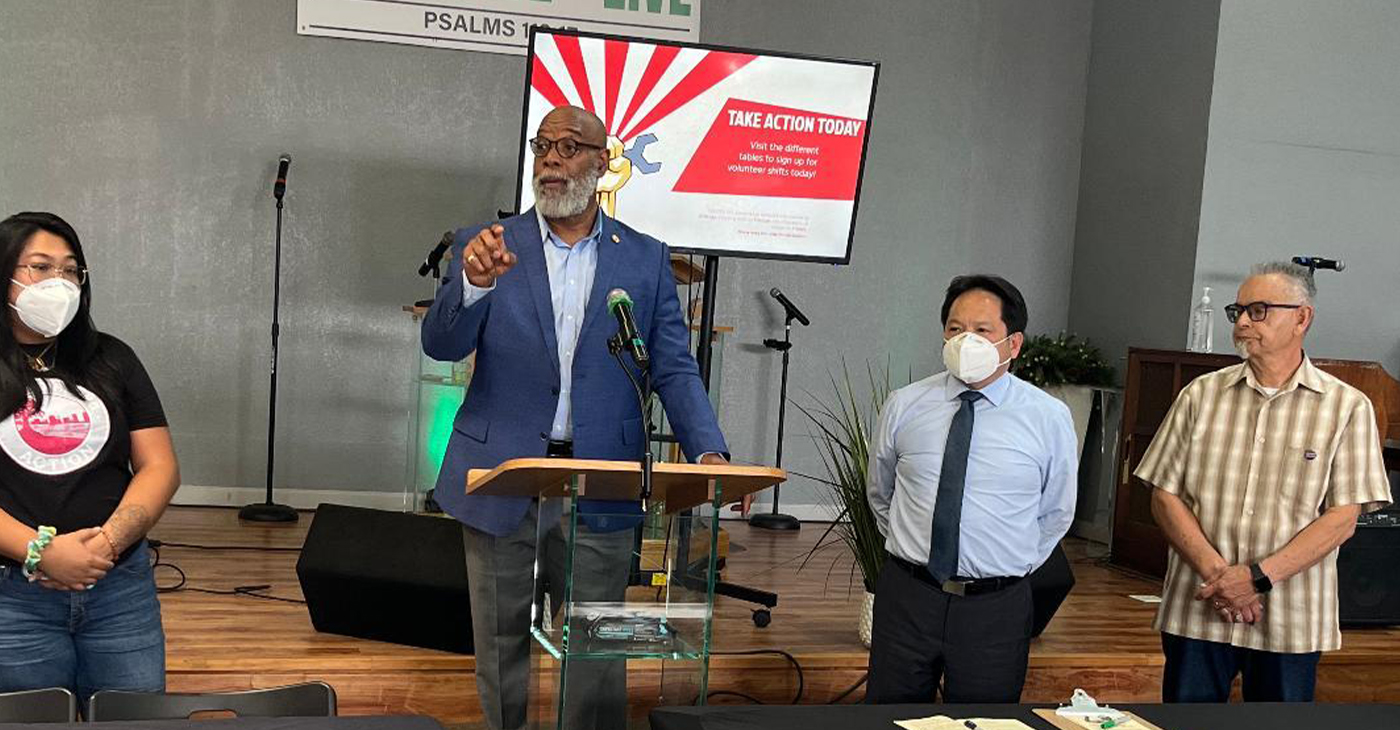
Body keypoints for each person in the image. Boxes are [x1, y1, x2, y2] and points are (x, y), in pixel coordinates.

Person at [421, 106, 728, 730]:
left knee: (596, 651)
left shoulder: (643, 260)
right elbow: (442, 345)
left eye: (569, 147)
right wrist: (473, 287)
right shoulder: (489, 244)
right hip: (501, 475)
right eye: (543, 146)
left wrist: (708, 452)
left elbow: (671, 367)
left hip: (601, 483)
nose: (552, 159)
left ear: (603, 164)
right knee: (500, 649)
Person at [1135, 262, 1390, 703]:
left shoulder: (1348, 407)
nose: (1244, 324)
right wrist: (1221, 576)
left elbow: (1343, 517)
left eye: (1259, 310)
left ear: (1302, 318)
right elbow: (1164, 494)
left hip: (1290, 618)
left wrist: (1255, 579)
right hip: (1199, 608)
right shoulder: (1200, 395)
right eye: (1239, 312)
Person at [865, 274, 1078, 703]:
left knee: (987, 720)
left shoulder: (1048, 417)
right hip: (909, 597)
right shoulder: (904, 405)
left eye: (982, 331)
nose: (966, 341)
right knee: (886, 718)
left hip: (995, 609)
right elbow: (880, 492)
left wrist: (1003, 565)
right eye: (955, 329)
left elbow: (1056, 512)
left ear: (1013, 344)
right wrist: (915, 550)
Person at [0, 212, 180, 710]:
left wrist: (105, 545)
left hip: (118, 589)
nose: (58, 281)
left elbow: (160, 466)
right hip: (12, 595)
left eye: (70, 269)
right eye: (39, 266)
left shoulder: (112, 357)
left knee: (135, 716)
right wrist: (41, 552)